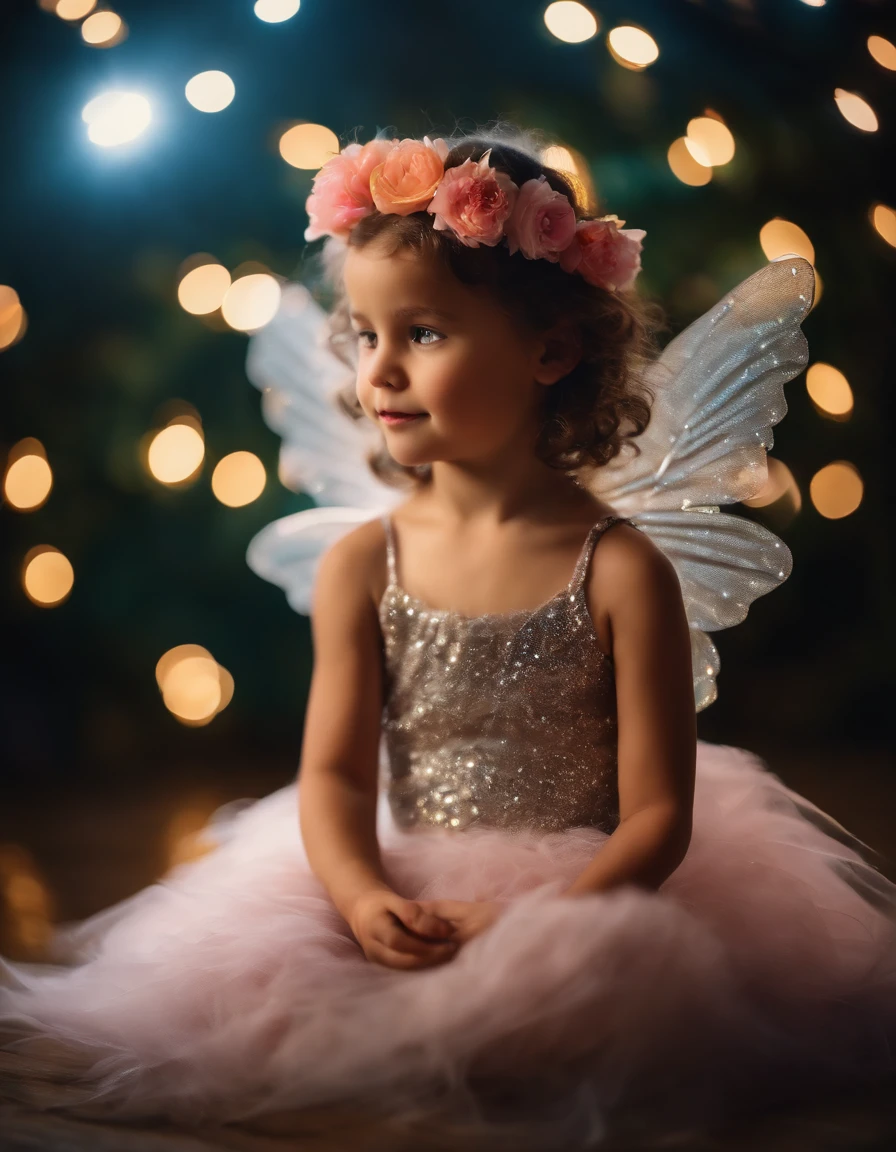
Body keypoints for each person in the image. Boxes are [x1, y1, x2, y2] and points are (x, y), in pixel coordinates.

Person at [2, 124, 895, 1150]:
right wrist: (360, 895)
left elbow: (655, 818)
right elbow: (334, 778)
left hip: (583, 886)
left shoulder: (616, 569)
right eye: (363, 335)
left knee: (579, 1013)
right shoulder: (361, 566)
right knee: (285, 1014)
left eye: (421, 333)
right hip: (402, 861)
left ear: (549, 350)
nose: (376, 373)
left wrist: (543, 918)